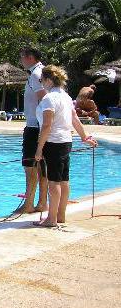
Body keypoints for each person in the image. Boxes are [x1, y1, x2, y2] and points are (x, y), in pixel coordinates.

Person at [33, 65, 98, 227]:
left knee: (53, 181)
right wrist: (85, 137)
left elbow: (47, 125)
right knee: (64, 179)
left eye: (42, 80)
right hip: (66, 142)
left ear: (48, 80)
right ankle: (60, 215)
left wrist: (39, 149)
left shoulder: (49, 98)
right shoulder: (67, 97)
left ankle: (51, 219)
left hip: (52, 142)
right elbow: (75, 120)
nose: (41, 83)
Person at [19, 47, 48, 214]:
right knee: (41, 167)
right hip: (38, 126)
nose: (21, 60)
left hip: (34, 127)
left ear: (30, 58)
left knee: (30, 166)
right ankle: (42, 203)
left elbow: (44, 100)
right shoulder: (42, 72)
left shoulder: (36, 74)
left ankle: (29, 204)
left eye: (22, 57)